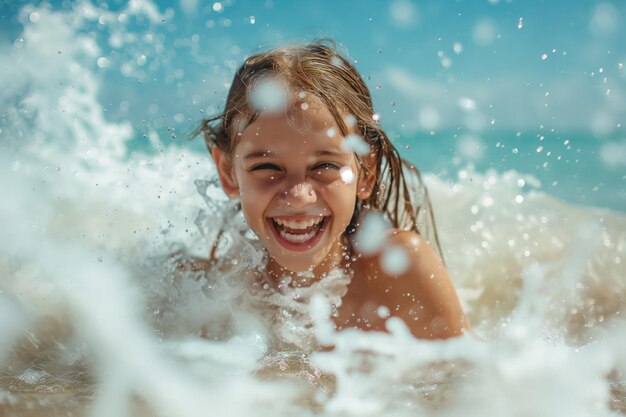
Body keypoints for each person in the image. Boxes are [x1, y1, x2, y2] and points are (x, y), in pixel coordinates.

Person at [194, 40, 467, 342]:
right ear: (228, 173)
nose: (298, 195)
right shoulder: (211, 297)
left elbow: (466, 381)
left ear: (366, 171)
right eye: (266, 167)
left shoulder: (401, 272)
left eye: (324, 166)